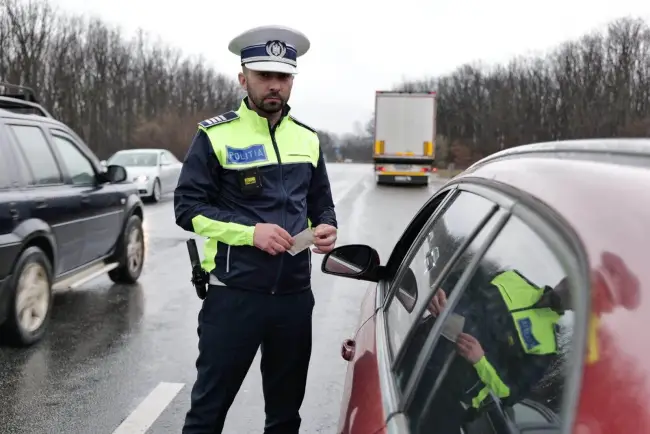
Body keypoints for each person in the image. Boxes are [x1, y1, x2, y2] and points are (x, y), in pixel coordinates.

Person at [174, 25, 338, 434]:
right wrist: (252, 233)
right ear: (243, 77)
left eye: (282, 77)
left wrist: (328, 227)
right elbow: (187, 208)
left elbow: (321, 203)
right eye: (265, 76)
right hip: (235, 296)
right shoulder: (215, 135)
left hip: (294, 299)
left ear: (292, 82)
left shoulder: (308, 139)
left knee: (284, 417)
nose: (274, 86)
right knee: (207, 414)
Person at [412, 269, 567, 433]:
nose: (569, 289)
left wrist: (481, 361)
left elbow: (510, 393)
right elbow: (463, 281)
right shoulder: (513, 277)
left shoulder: (547, 347)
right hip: (419, 349)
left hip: (449, 397)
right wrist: (442, 291)